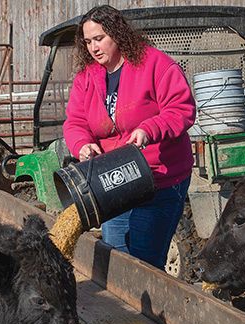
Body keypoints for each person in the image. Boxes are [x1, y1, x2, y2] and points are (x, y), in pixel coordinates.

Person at [63, 5, 196, 269]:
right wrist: (82, 144)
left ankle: (152, 309)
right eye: (88, 41)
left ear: (118, 34)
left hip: (159, 177)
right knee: (117, 258)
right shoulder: (87, 78)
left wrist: (149, 129)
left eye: (99, 39)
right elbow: (75, 121)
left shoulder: (155, 64)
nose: (93, 47)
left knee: (146, 261)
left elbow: (181, 109)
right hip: (115, 180)